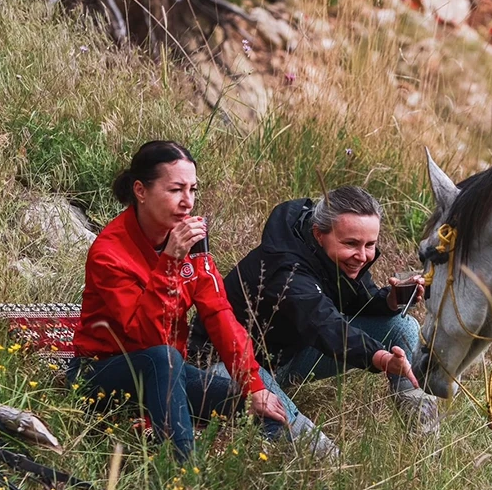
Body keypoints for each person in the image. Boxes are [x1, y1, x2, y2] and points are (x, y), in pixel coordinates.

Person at [68, 140, 288, 462]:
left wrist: (252, 384)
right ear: (141, 191)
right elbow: (146, 337)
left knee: (260, 408)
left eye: (193, 189)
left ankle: (247, 472)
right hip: (103, 373)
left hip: (167, 371)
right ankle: (186, 472)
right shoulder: (109, 253)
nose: (188, 202)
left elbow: (220, 315)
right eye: (176, 190)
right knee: (164, 358)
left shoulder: (191, 245)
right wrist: (169, 261)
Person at [190, 186, 439, 439]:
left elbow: (353, 301)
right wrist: (381, 358)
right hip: (226, 367)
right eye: (352, 243)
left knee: (402, 325)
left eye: (370, 244)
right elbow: (325, 325)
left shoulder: (328, 253)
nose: (362, 256)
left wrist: (389, 300)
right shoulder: (286, 270)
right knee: (309, 443)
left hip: (286, 358)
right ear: (319, 234)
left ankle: (424, 436)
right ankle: (321, 461)